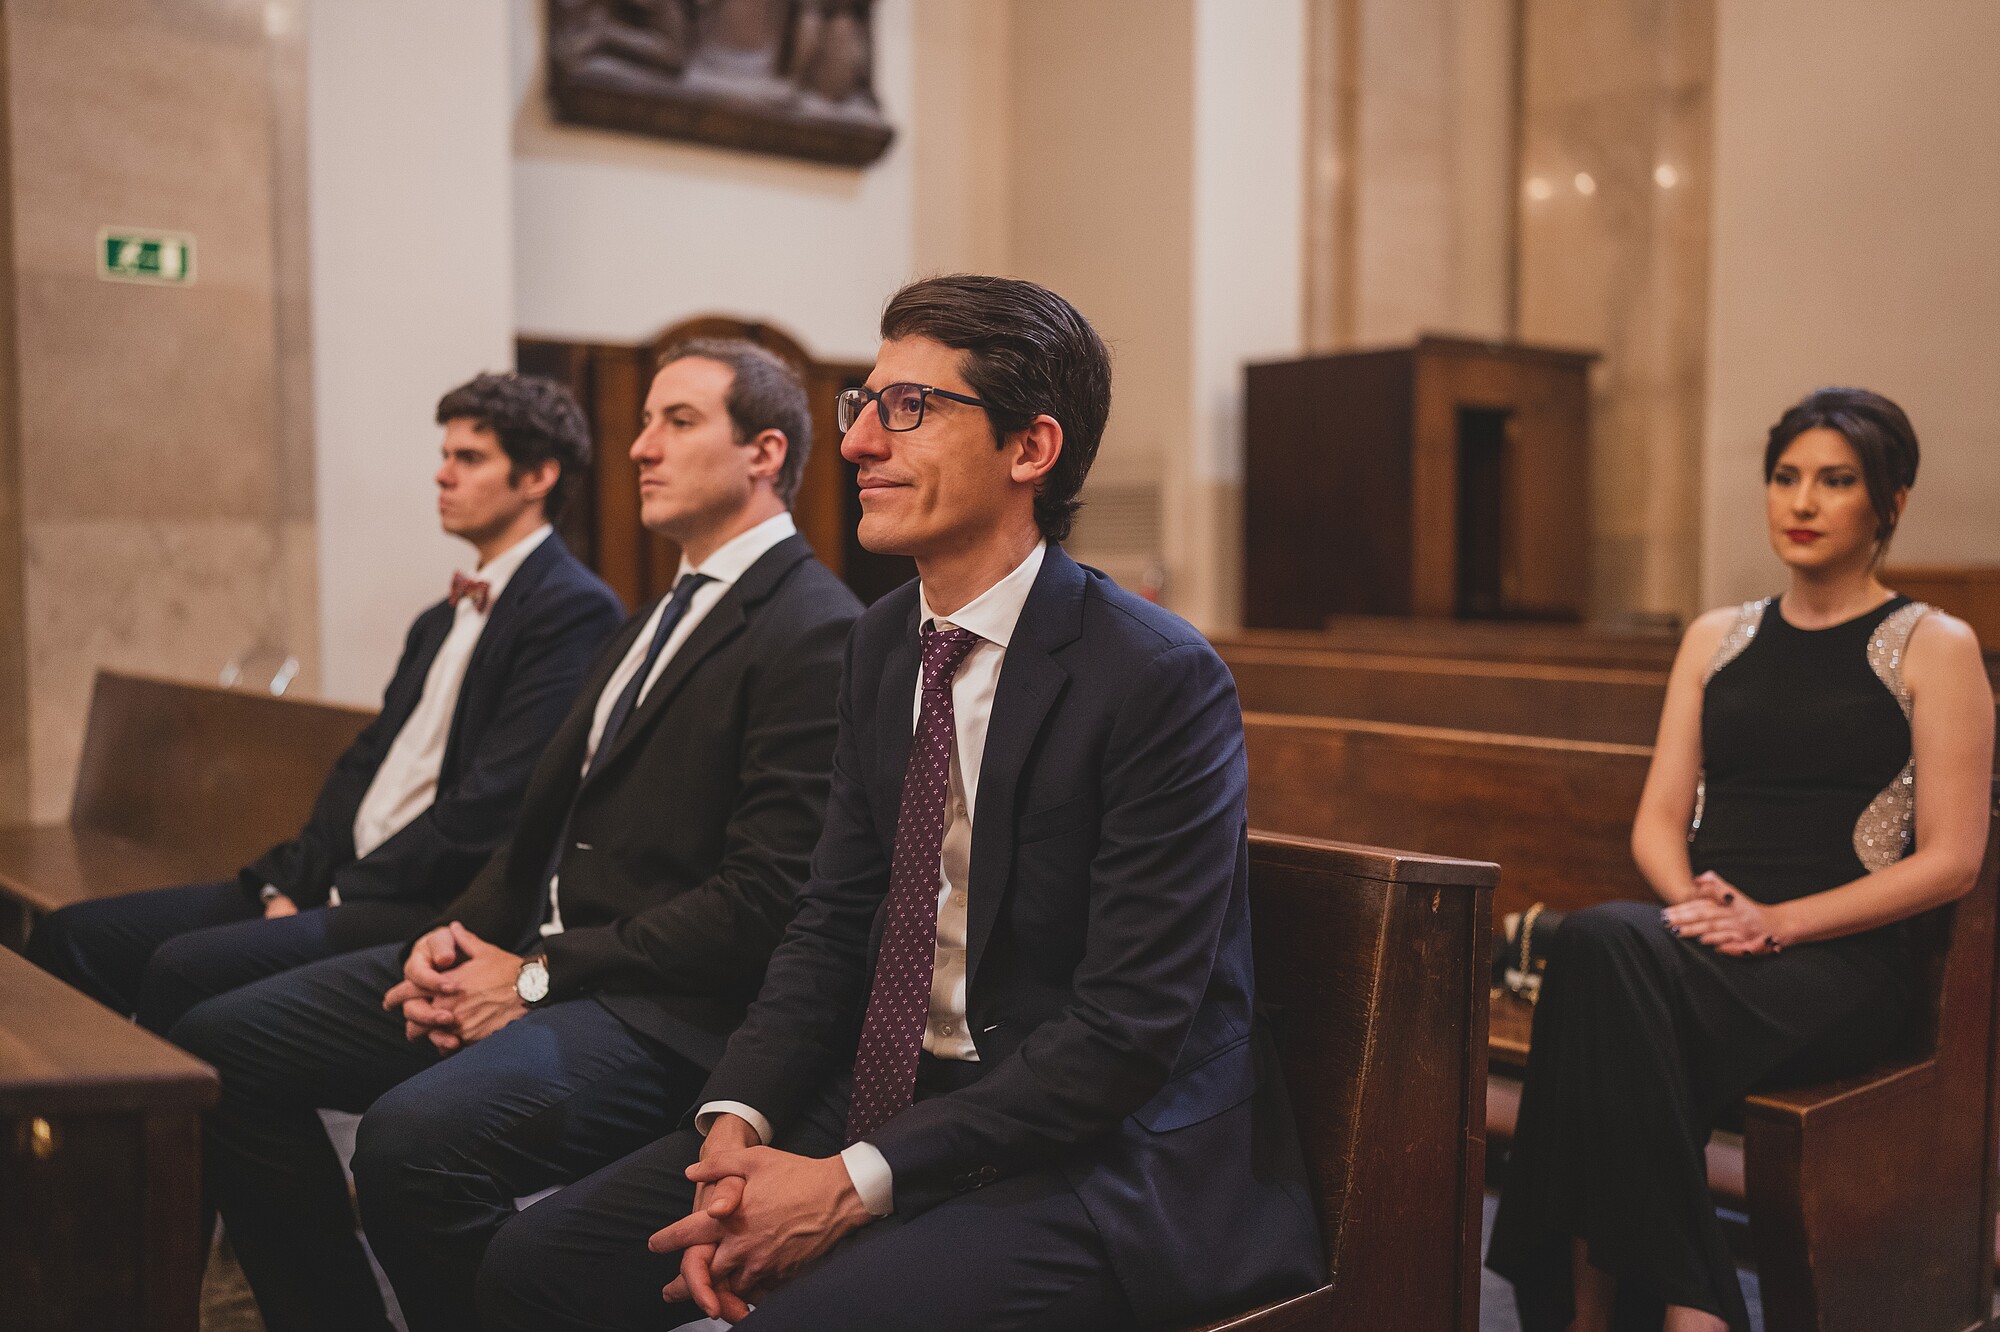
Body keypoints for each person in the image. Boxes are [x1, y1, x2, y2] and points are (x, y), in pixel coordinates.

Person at [476, 275, 1325, 1332]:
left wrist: (847, 1182)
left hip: (1097, 1146)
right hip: (896, 1088)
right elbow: (831, 918)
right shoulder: (881, 643)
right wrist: (738, 1118)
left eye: (908, 408)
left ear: (1030, 449)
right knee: (534, 1263)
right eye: (862, 406)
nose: (858, 443)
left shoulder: (1153, 676)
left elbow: (1123, 1030)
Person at [170, 339, 862, 1332]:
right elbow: (538, 830)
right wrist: (451, 938)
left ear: (762, 453)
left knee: (412, 1148)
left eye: (676, 421)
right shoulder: (648, 619)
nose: (637, 448)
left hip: (654, 1011)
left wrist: (536, 973)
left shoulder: (812, 627)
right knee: (221, 1045)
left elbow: (761, 901)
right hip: (537, 964)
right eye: (642, 422)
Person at [1487, 387, 1995, 1332]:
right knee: (1606, 959)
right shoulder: (1716, 638)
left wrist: (1778, 922)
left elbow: (1955, 861)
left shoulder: (1935, 645)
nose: (1801, 502)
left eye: (1835, 481)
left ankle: (1608, 1311)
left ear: (1892, 501)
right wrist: (1694, 909)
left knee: (1596, 967)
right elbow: (1657, 820)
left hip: (1836, 968)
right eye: (1785, 477)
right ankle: (1688, 1309)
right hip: (1699, 949)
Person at [26, 373, 623, 1034]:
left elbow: (492, 804)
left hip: (420, 900)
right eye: (445, 456)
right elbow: (364, 764)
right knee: (72, 937)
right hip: (342, 878)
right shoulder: (439, 618)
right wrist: (295, 883)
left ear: (539, 475)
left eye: (469, 459)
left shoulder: (572, 608)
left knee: (181, 967)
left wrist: (340, 893)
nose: (442, 475)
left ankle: (169, 1129)